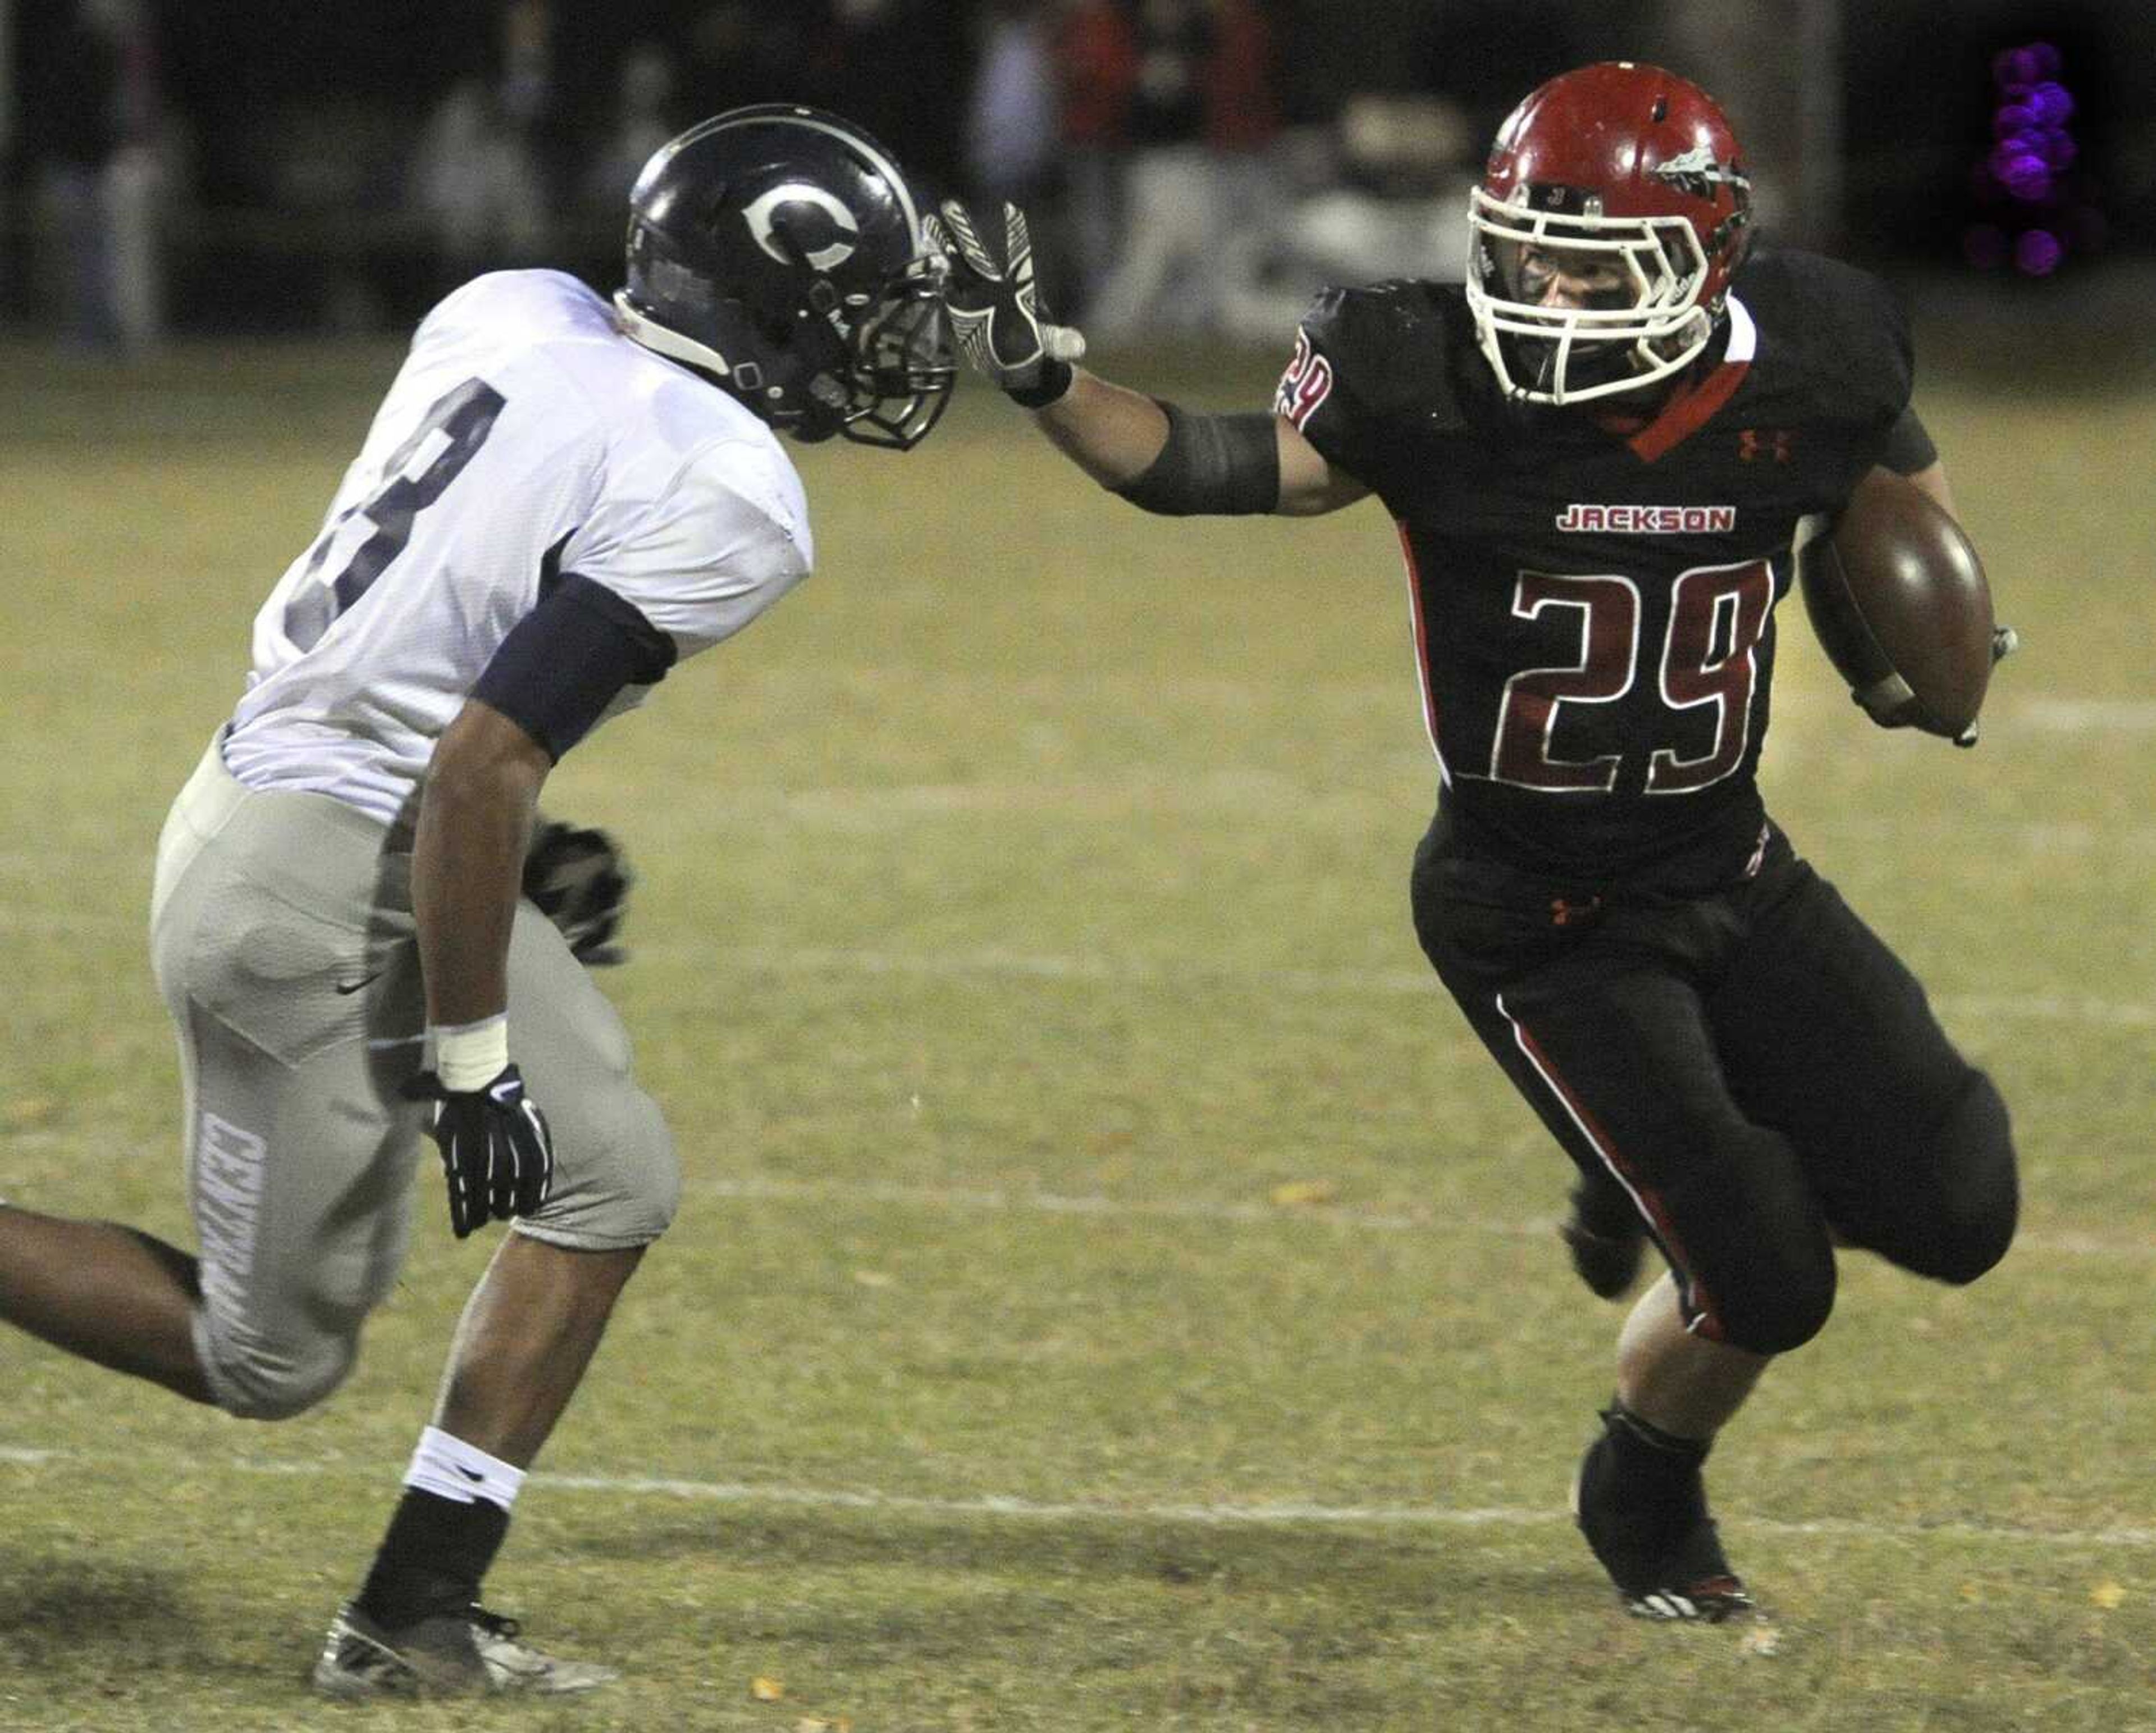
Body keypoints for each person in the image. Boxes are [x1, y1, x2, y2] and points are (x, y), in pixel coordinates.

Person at [930, 61, 2019, 1621]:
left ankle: (1652, 1167)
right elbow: (1207, 466)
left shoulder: (1818, 349)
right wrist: (1042, 376)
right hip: (1542, 912)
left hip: (1731, 867)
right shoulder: (1427, 369)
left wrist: (1923, 626)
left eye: (1596, 259)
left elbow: (1891, 474)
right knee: (1771, 1275)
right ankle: (1641, 1497)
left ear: (1706, 256)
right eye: (1530, 248)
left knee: (1964, 1205)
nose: (1549, 288)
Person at [0, 104, 953, 1696]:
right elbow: (478, 757)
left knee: (613, 1177)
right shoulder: (729, 487)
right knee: (268, 1359)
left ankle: (413, 1611)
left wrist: (500, 867)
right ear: (760, 295)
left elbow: (447, 647)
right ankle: (404, 1622)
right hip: (317, 887)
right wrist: (470, 1052)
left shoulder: (510, 306)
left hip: (298, 815)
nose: (870, 349)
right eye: (851, 308)